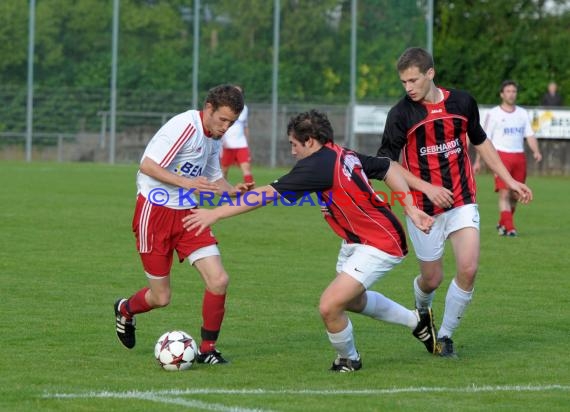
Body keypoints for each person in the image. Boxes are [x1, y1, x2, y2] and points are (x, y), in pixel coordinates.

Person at [182, 109, 438, 373]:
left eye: (294, 144)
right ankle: (416, 322)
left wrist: (214, 214)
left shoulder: (317, 165)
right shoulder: (341, 153)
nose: (292, 152)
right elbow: (388, 167)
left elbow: (264, 196)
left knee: (329, 306)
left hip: (380, 242)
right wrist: (410, 207)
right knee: (352, 301)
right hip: (355, 241)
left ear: (311, 141)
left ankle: (348, 360)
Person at [377, 47, 533, 358]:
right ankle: (423, 309)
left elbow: (481, 142)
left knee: (468, 267)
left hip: (462, 201)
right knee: (432, 279)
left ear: (430, 74)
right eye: (403, 82)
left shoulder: (462, 102)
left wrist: (509, 180)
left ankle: (444, 336)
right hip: (422, 209)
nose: (408, 88)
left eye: (413, 80)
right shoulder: (400, 115)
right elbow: (385, 165)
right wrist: (426, 188)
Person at [114, 84, 254, 365]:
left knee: (219, 280)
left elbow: (214, 180)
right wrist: (187, 183)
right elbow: (148, 165)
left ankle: (208, 349)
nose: (226, 127)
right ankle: (126, 309)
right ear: (209, 109)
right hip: (154, 213)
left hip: (189, 214)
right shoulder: (184, 126)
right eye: (222, 120)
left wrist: (233, 191)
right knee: (161, 297)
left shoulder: (214, 137)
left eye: (232, 122)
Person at [473, 80, 542, 237]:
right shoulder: (493, 113)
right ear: (502, 94)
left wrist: (536, 151)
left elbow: (530, 135)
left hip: (519, 157)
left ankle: (503, 223)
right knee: (504, 193)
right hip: (501, 157)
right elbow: (483, 139)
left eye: (514, 91)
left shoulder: (522, 113)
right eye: (508, 91)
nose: (511, 94)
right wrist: (478, 161)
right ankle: (510, 228)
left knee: (515, 194)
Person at [220, 86, 255, 186]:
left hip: (240, 144)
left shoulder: (244, 108)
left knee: (246, 169)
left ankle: (252, 194)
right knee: (224, 171)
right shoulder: (224, 108)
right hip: (227, 145)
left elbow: (245, 126)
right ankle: (225, 193)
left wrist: (247, 143)